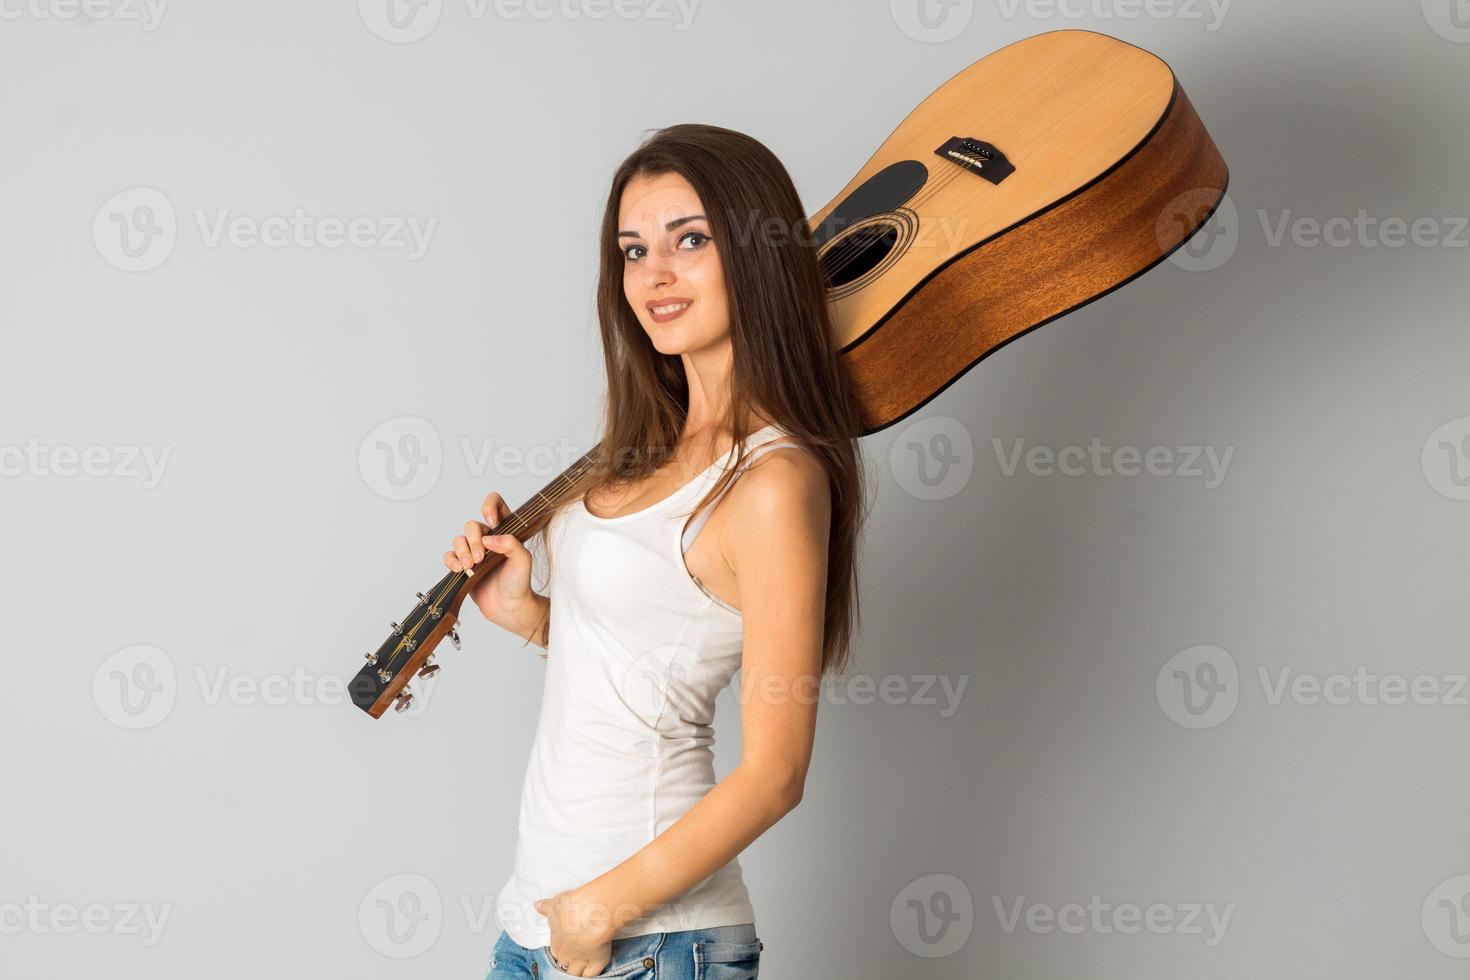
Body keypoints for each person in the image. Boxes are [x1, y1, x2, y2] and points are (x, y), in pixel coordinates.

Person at [445, 123, 868, 979]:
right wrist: (530, 616)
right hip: (537, 924)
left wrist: (601, 910)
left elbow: (777, 772)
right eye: (634, 250)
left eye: (692, 240)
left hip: (653, 942)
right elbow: (648, 662)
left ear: (759, 256)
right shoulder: (640, 450)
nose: (656, 275)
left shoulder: (775, 481)